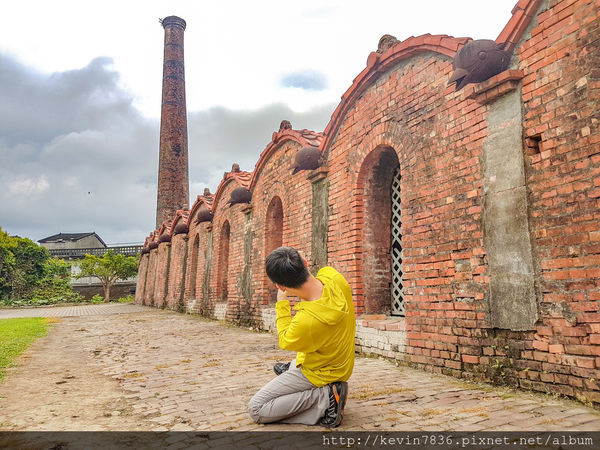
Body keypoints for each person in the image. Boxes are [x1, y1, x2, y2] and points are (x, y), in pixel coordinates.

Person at [248, 246, 355, 427]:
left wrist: (282, 303)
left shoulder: (306, 321)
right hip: (342, 363)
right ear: (305, 264)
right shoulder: (333, 277)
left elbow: (285, 339)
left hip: (321, 373)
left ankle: (325, 398)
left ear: (280, 285)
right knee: (296, 359)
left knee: (257, 409)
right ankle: (292, 367)